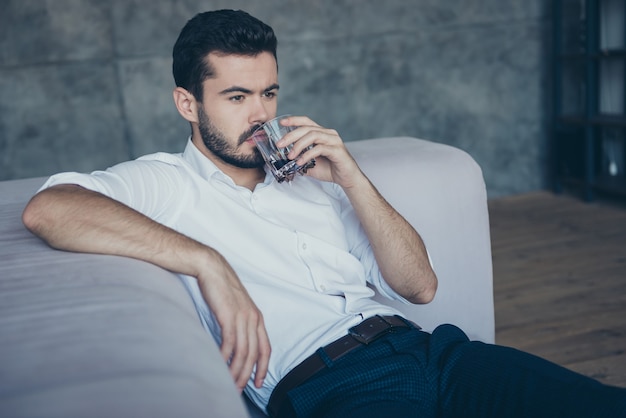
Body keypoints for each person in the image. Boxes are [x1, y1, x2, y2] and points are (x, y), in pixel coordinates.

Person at [22, 9, 625, 418]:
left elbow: (420, 285)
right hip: (333, 387)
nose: (260, 113)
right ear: (188, 102)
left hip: (434, 352)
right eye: (236, 97)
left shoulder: (311, 179)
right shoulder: (167, 182)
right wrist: (208, 262)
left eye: (269, 92)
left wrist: (350, 176)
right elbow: (51, 208)